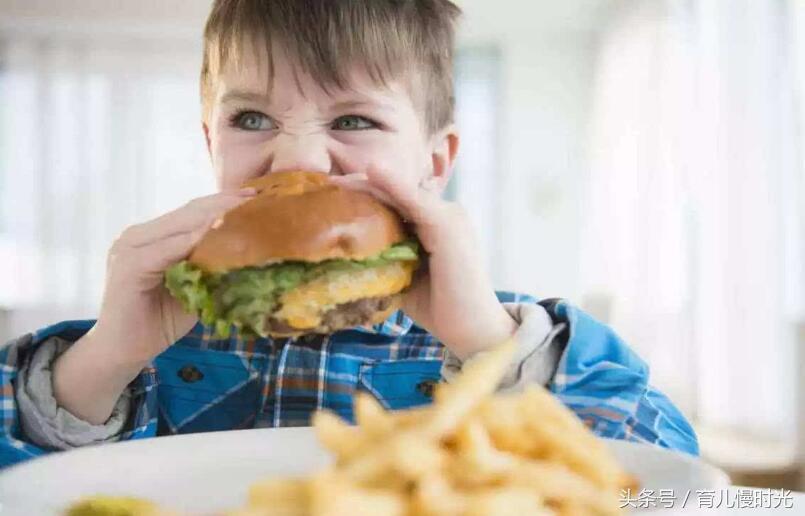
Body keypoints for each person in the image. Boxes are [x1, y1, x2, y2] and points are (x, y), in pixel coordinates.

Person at [0, 0, 697, 468]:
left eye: (354, 121)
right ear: (210, 142)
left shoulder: (499, 333)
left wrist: (491, 348)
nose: (298, 160)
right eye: (251, 119)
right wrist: (100, 363)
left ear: (433, 163)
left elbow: (679, 489)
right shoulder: (145, 342)